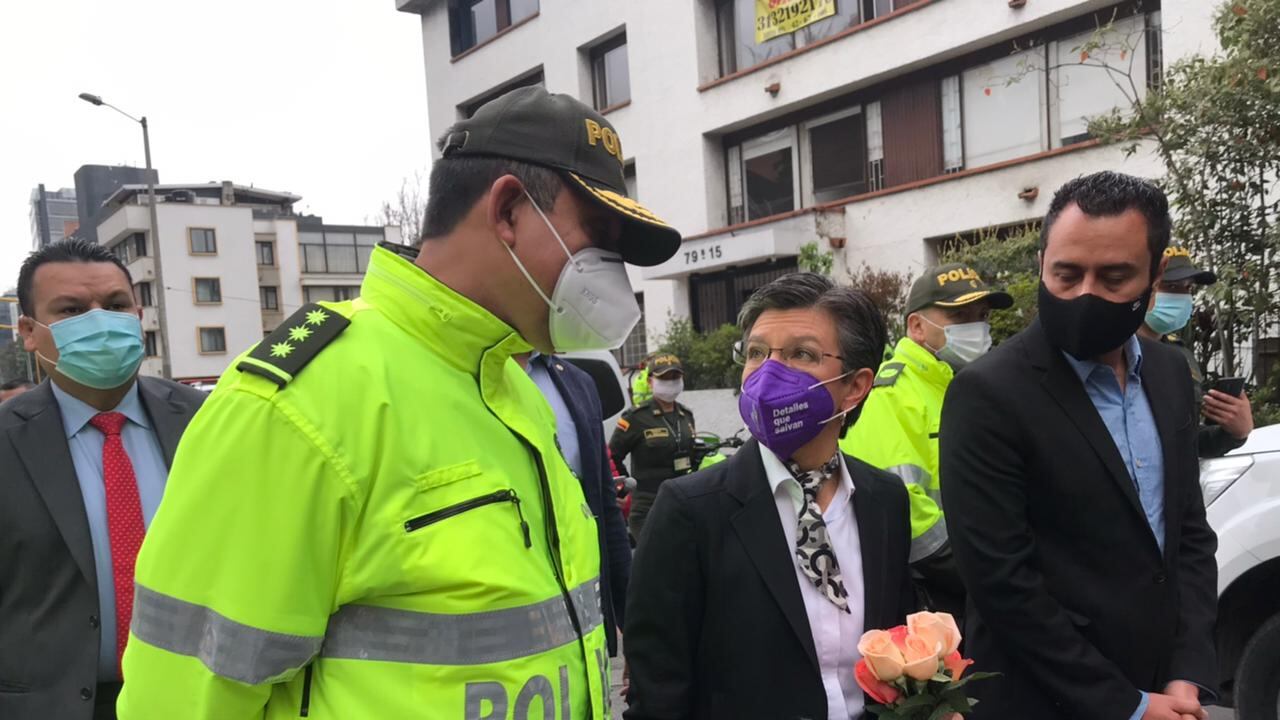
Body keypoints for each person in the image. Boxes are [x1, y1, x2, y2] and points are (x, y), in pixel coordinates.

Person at [116, 87, 681, 719]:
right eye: (597, 237)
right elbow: (184, 698)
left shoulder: (512, 389)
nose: (610, 274)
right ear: (509, 210)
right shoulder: (298, 407)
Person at [941, 171, 1217, 720]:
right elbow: (1002, 584)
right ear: (1042, 261)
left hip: (1164, 687)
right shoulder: (988, 394)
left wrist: (1188, 670)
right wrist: (1127, 706)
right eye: (1067, 274)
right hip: (1045, 698)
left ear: (1155, 274)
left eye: (1114, 277)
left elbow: (1187, 533)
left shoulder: (1167, 375)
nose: (1085, 294)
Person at [624, 272, 915, 720]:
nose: (768, 373)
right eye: (757, 352)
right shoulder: (691, 511)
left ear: (856, 387)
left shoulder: (884, 501)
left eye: (801, 354)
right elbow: (658, 693)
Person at [0, 238, 206, 720]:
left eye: (114, 306)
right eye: (71, 310)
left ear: (137, 314)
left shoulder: (208, 421)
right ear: (29, 331)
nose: (100, 322)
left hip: (196, 698)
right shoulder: (6, 443)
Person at [842, 262, 1011, 615]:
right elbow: (906, 512)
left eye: (982, 316)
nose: (977, 328)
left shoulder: (962, 386)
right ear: (917, 326)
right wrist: (986, 571)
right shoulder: (891, 393)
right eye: (961, 316)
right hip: (933, 591)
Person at [523, 352, 631, 659]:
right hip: (511, 633)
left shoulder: (578, 382)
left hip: (582, 627)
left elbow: (605, 509)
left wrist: (634, 628)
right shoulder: (461, 374)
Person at [1139, 246, 1252, 457]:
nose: (1182, 297)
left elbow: (1188, 441)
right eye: (1171, 286)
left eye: (1188, 288)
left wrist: (1234, 432)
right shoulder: (1112, 356)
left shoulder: (1180, 355)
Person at [609, 354, 695, 541]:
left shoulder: (685, 415)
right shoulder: (636, 417)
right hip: (648, 506)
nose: (671, 382)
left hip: (680, 503)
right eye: (664, 378)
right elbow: (613, 455)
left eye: (675, 377)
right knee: (657, 562)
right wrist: (626, 488)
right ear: (650, 382)